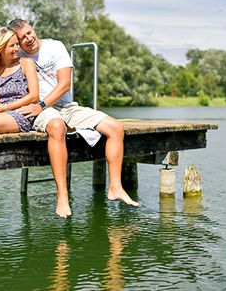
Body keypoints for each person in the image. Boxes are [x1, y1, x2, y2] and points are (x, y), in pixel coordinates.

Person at [7, 18, 139, 218]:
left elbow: (64, 84)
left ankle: (115, 187)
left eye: (29, 32)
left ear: (33, 28)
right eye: (22, 38)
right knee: (57, 126)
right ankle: (62, 197)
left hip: (65, 106)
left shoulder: (55, 46)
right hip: (40, 111)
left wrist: (43, 103)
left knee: (116, 128)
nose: (28, 39)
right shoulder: (18, 55)